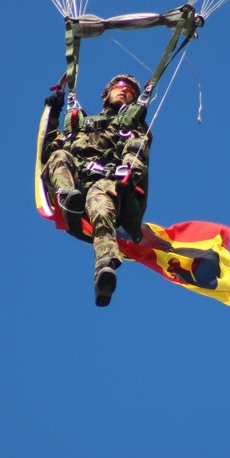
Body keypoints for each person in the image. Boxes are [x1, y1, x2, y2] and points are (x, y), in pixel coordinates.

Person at [40, 74, 151, 307]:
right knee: (59, 156)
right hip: (74, 186)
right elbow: (49, 148)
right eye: (120, 87)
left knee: (101, 204)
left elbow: (136, 152)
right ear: (107, 92)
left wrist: (130, 172)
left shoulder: (130, 128)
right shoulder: (79, 126)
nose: (125, 91)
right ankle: (67, 201)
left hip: (108, 184)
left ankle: (105, 269)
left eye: (131, 92)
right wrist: (52, 112)